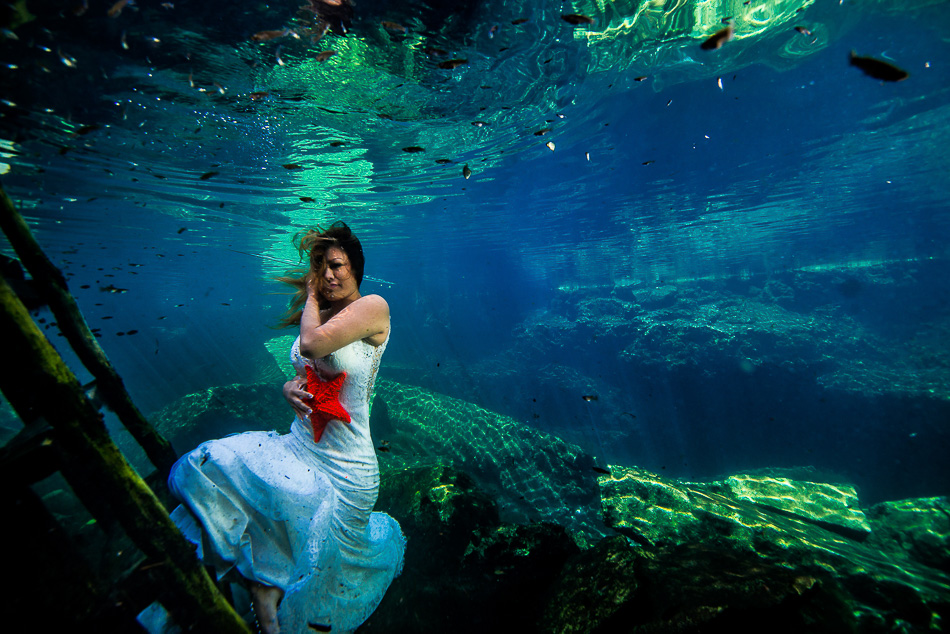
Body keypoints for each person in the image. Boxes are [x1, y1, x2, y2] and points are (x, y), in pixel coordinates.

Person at [167, 221, 404, 634]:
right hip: (301, 445)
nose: (329, 274)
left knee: (309, 563)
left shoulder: (373, 307)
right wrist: (288, 388)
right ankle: (262, 605)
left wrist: (311, 293)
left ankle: (271, 609)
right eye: (321, 266)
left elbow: (311, 345)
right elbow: (308, 368)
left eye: (337, 266)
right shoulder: (320, 315)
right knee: (222, 464)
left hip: (348, 467)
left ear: (356, 269)